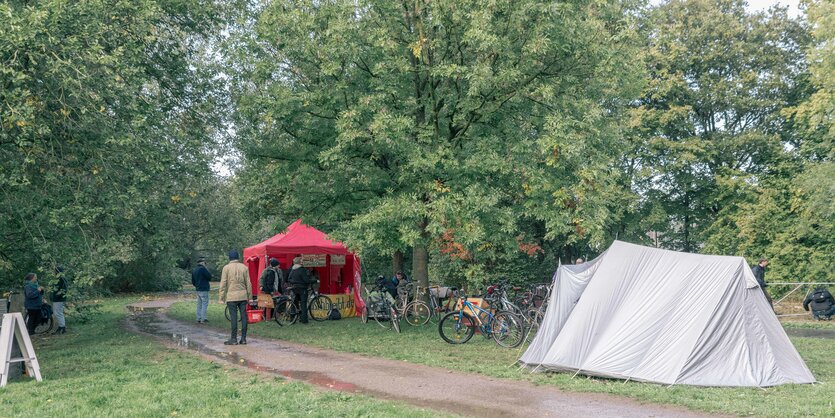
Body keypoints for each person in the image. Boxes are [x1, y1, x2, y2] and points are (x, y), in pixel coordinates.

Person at [219, 250, 252, 345]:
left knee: (234, 317)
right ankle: (243, 339)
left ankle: (233, 339)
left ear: (229, 258)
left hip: (231, 296)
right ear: (238, 257)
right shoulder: (244, 267)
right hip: (243, 296)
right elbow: (248, 283)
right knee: (244, 316)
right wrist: (249, 297)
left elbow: (223, 283)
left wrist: (221, 298)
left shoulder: (226, 268)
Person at [288, 256, 314, 323]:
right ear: (300, 262)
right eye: (301, 261)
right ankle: (304, 320)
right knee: (303, 304)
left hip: (294, 288)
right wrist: (314, 281)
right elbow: (306, 280)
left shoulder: (292, 269)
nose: (302, 262)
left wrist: (294, 282)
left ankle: (292, 319)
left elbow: (289, 279)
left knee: (294, 303)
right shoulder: (302, 269)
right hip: (302, 289)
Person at [191, 258, 212, 324]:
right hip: (204, 289)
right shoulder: (203, 269)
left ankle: (198, 318)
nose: (205, 263)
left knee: (199, 304)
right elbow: (209, 277)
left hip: (198, 289)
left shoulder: (194, 270)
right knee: (204, 304)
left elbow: (193, 281)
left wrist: (197, 286)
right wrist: (206, 268)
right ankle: (203, 319)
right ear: (202, 263)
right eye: (204, 262)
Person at [50, 266, 69, 334]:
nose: (54, 273)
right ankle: (61, 327)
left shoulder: (61, 279)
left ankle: (62, 327)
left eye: (55, 271)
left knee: (58, 313)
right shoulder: (59, 279)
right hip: (58, 299)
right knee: (57, 313)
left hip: (59, 299)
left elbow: (64, 289)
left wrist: (58, 294)